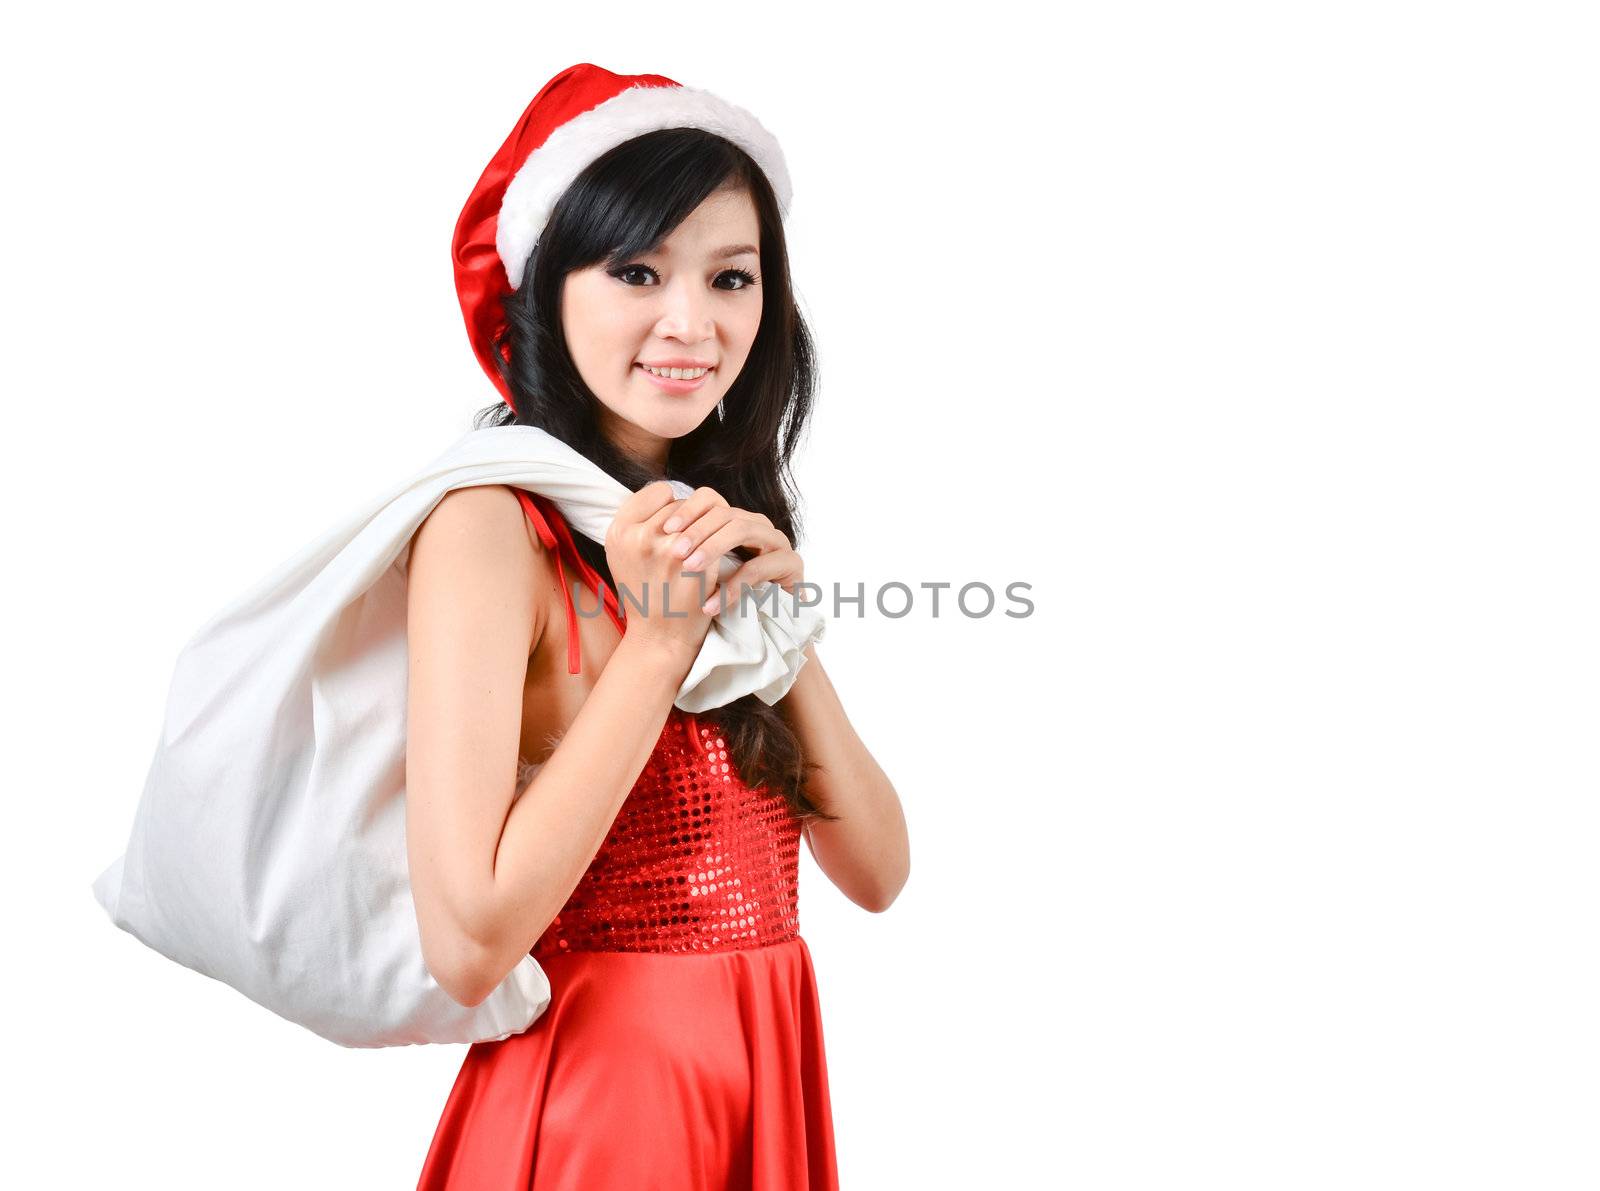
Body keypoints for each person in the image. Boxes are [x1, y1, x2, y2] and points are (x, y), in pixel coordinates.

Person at [408, 64, 911, 1189]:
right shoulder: (491, 526)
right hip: (603, 1102)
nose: (691, 322)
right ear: (548, 290)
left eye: (731, 278)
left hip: (762, 1055)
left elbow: (876, 872)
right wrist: (661, 641)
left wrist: (780, 636)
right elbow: (468, 942)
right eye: (636, 270)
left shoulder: (713, 528)